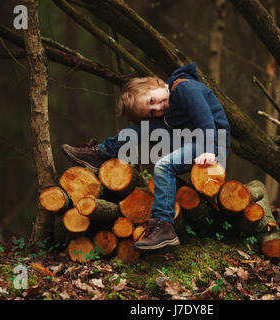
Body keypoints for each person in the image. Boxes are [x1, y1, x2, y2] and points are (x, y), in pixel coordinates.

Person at [62, 62, 230, 251]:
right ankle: (102, 152)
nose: (158, 108)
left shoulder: (184, 88)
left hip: (211, 142)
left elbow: (205, 118)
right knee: (142, 129)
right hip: (192, 140)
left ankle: (164, 226)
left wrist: (209, 150)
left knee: (163, 166)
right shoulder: (169, 107)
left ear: (156, 84)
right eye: (151, 111)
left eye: (152, 101)